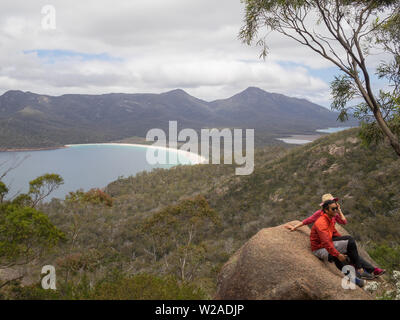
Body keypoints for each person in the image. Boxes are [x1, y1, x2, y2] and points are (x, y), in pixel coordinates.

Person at [286, 194, 385, 280]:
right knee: (347, 249)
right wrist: (295, 227)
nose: (334, 204)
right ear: (325, 206)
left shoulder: (333, 213)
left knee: (350, 247)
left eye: (334, 202)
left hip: (332, 236)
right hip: (326, 239)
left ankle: (370, 270)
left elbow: (344, 222)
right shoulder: (320, 215)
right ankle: (363, 270)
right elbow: (308, 220)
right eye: (332, 202)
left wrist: (339, 210)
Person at [311, 200, 384, 286]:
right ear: (326, 210)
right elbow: (326, 242)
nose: (336, 210)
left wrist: (344, 245)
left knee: (349, 243)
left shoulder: (329, 219)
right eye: (333, 209)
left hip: (326, 244)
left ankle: (360, 269)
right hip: (320, 249)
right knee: (336, 255)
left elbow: (335, 233)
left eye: (336, 208)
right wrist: (338, 254)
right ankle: (356, 277)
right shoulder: (322, 223)